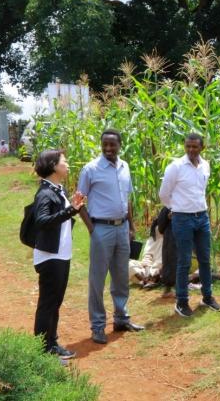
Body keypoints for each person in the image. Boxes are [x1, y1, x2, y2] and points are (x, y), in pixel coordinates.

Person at [77, 129, 144, 344]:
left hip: (122, 228)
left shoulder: (125, 167)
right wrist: (91, 229)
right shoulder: (91, 169)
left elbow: (128, 200)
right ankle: (98, 326)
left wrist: (131, 226)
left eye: (112, 145)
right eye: (104, 144)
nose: (108, 149)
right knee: (97, 279)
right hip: (101, 229)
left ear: (119, 145)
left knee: (121, 276)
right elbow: (78, 203)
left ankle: (121, 318)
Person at [159, 133, 220, 317]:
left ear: (202, 147)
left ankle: (207, 297)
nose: (191, 150)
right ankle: (182, 301)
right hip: (182, 219)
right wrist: (175, 208)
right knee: (184, 261)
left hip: (202, 217)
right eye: (188, 146)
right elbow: (164, 194)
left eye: (195, 147)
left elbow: (201, 190)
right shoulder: (176, 167)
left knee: (204, 259)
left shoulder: (205, 166)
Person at [31, 150, 85, 360]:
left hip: (60, 254)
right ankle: (43, 350)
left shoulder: (56, 189)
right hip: (50, 256)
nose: (68, 164)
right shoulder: (45, 192)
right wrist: (71, 210)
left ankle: (51, 343)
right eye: (64, 161)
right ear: (53, 166)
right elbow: (42, 221)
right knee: (48, 303)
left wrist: (73, 206)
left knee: (55, 302)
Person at [129, 218, 164, 288]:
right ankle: (145, 280)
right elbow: (147, 257)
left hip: (159, 269)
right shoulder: (151, 239)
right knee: (126, 263)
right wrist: (147, 270)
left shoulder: (171, 239)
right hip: (146, 269)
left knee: (161, 269)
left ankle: (149, 280)